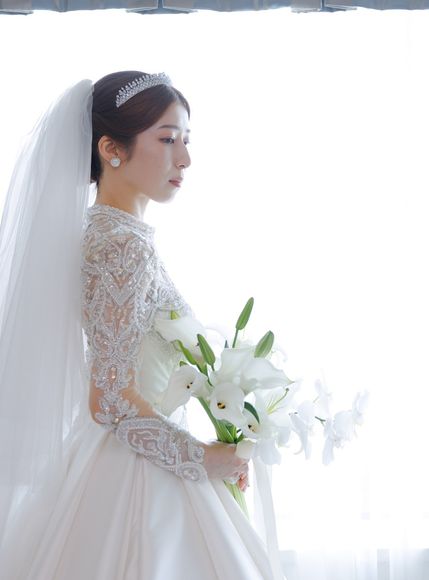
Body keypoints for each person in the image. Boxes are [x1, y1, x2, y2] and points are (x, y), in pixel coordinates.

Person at [0, 71, 283, 580]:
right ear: (111, 149)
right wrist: (202, 458)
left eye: (187, 140)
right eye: (168, 139)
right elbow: (110, 398)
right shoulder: (121, 245)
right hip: (137, 477)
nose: (185, 158)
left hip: (119, 460)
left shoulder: (111, 233)